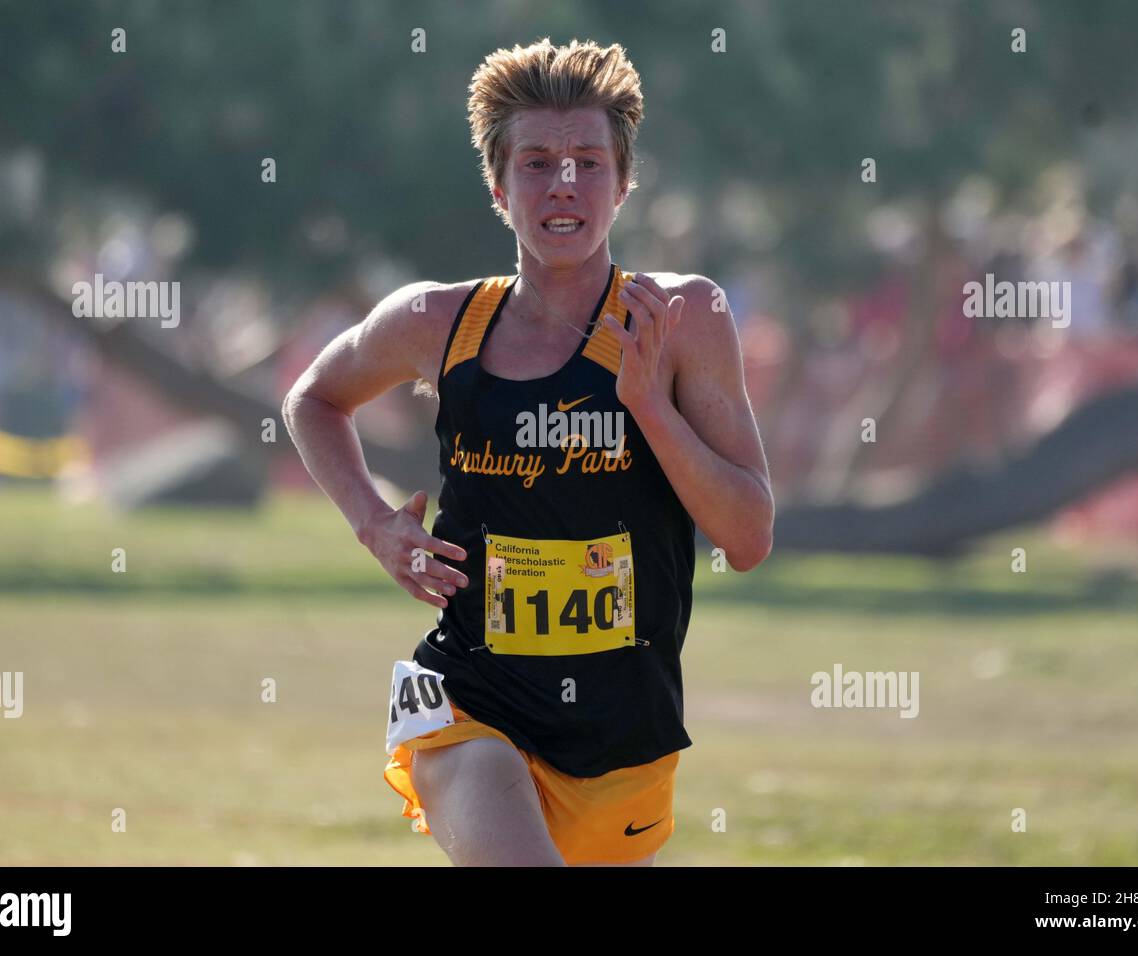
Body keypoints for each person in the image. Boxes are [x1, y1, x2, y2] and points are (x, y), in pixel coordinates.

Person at [283, 37, 773, 866]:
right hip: (472, 702)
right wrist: (375, 525)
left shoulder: (684, 318)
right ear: (499, 185)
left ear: (623, 183)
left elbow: (749, 537)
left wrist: (648, 404)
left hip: (626, 735)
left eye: (588, 160)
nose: (565, 183)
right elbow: (313, 400)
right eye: (538, 162)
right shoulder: (437, 321)